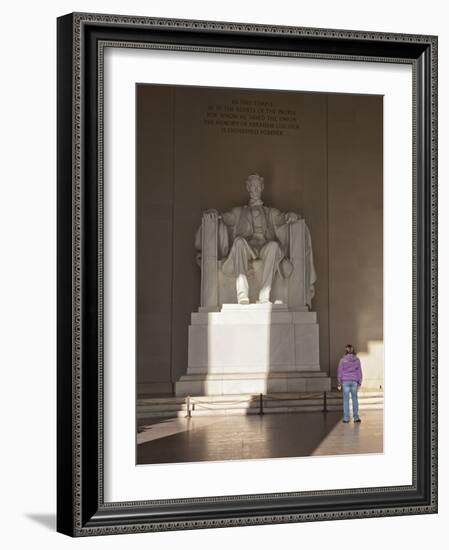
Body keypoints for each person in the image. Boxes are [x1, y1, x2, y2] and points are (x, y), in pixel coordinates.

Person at [195, 173, 316, 305]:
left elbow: (283, 218)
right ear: (248, 188)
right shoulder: (238, 212)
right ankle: (242, 293)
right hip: (247, 247)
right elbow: (224, 217)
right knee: (239, 242)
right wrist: (213, 213)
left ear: (262, 187)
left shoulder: (270, 212)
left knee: (274, 246)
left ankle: (265, 294)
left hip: (264, 247)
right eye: (253, 186)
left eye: (258, 186)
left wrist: (292, 216)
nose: (256, 189)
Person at [337, 344, 363, 423]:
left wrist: (339, 382)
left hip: (345, 381)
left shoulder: (342, 360)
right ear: (353, 350)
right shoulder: (357, 360)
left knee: (346, 400)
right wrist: (359, 381)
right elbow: (359, 371)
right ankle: (356, 418)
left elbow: (339, 372)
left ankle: (346, 418)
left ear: (346, 351)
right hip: (354, 381)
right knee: (355, 399)